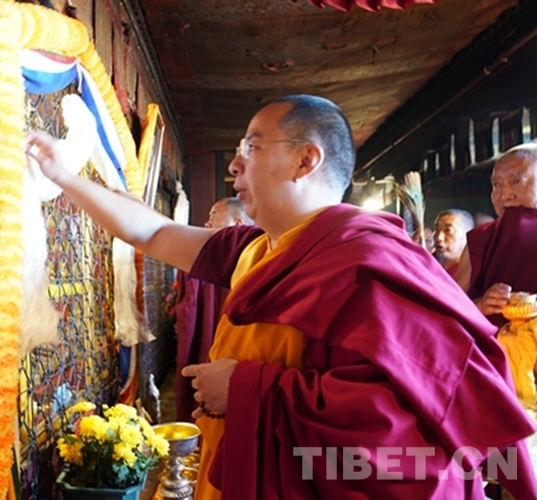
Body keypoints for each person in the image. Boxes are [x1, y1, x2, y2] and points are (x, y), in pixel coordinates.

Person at [27, 95, 537, 499]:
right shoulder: (255, 249)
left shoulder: (367, 260)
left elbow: (403, 424)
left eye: (251, 147)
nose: (235, 165)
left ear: (305, 159)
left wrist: (247, 388)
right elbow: (153, 232)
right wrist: (63, 176)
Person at [174, 198, 251, 422]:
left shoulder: (260, 255)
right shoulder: (206, 252)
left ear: (238, 223)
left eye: (214, 215)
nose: (207, 223)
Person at [456, 144, 537, 326]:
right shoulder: (480, 239)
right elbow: (450, 305)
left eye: (517, 181)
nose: (505, 194)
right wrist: (480, 305)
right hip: (489, 342)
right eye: (497, 185)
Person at [433, 208, 474, 278]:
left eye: (448, 230)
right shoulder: (428, 267)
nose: (439, 238)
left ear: (467, 235)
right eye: (436, 229)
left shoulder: (473, 273)